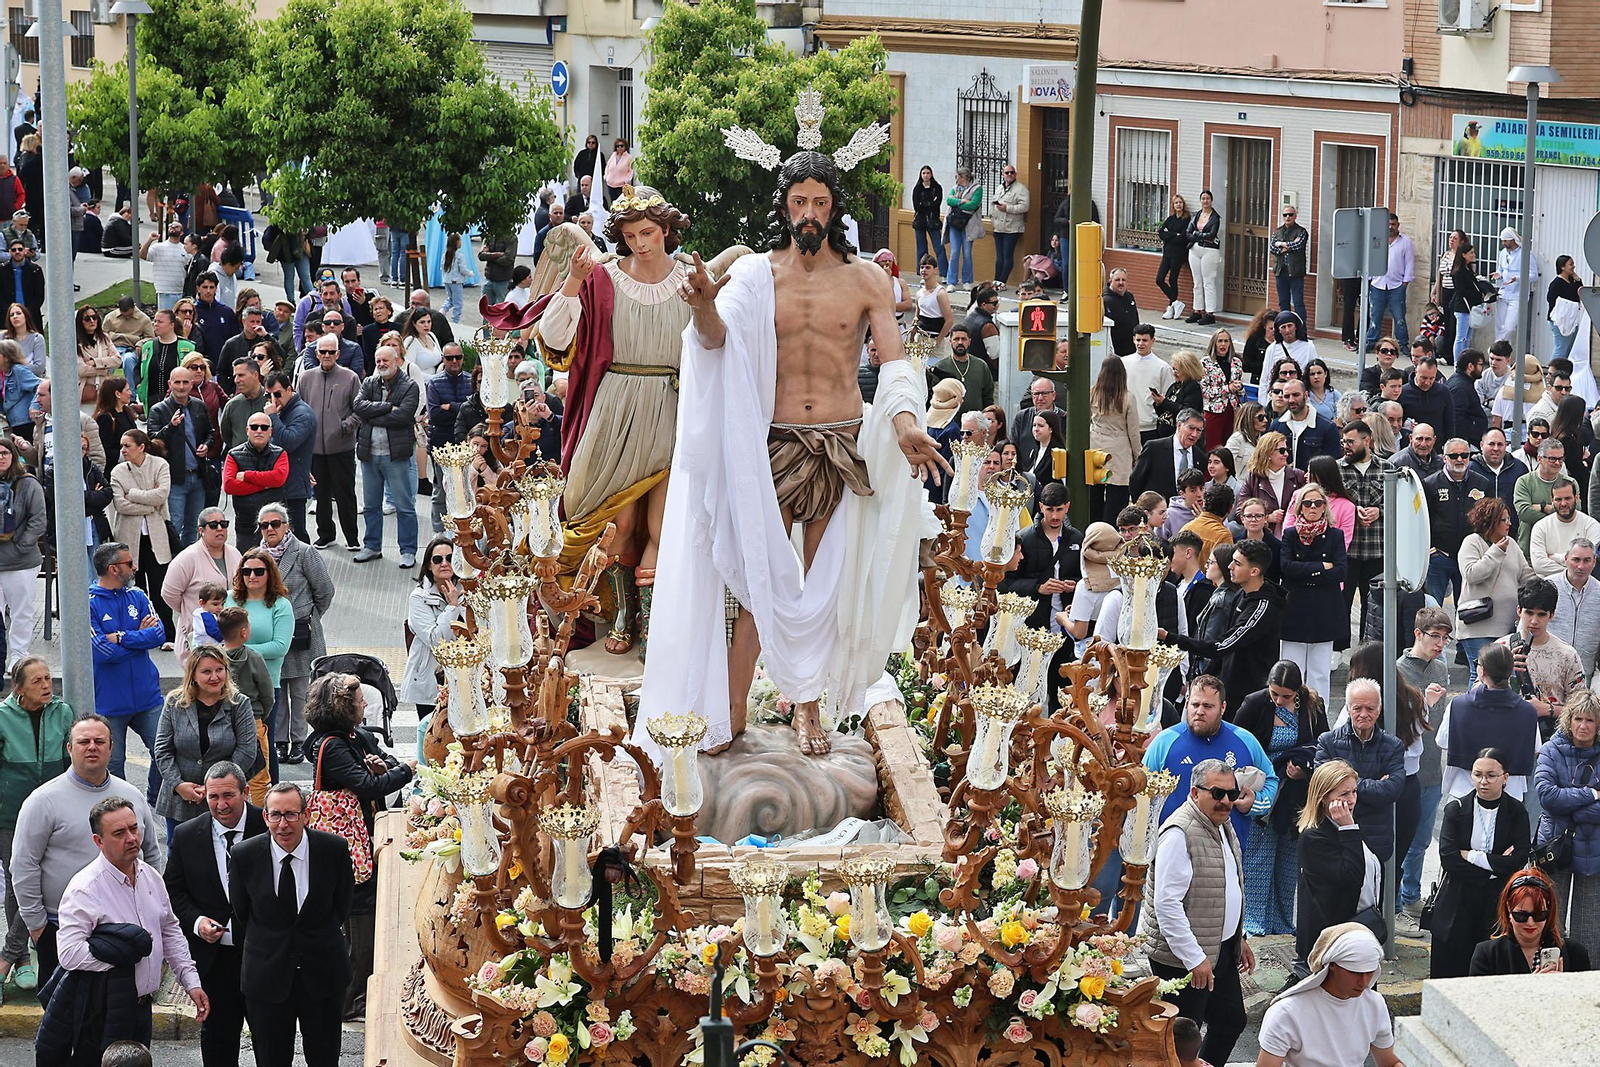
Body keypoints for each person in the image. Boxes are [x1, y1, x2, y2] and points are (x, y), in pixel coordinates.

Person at [11, 715, 162, 997]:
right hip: (61, 929)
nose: (91, 747)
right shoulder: (42, 800)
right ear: (69, 748)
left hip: (124, 931)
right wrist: (38, 927)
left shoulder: (131, 796)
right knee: (67, 1027)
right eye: (83, 741)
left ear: (112, 747)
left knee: (125, 1018)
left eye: (99, 741)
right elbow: (23, 866)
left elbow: (151, 853)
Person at [45, 796, 207, 1058]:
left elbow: (170, 931)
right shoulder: (84, 889)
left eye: (134, 828)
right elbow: (69, 953)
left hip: (142, 1009)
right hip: (102, 1010)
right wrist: (122, 958)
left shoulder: (150, 876)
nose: (131, 838)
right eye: (119, 833)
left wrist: (191, 982)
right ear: (99, 841)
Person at [302, 674, 414, 1019]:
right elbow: (367, 785)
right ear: (344, 707)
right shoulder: (332, 747)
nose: (366, 704)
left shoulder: (358, 737)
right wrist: (405, 772)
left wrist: (388, 769)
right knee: (359, 920)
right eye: (361, 700)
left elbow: (383, 766)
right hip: (351, 845)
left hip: (366, 837)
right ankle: (350, 1001)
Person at [230, 782, 354, 1067]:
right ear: (265, 817)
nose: (282, 824)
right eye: (275, 815)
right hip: (267, 976)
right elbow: (243, 912)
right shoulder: (244, 856)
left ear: (306, 815)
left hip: (322, 974)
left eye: (290, 815)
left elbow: (341, 906)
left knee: (324, 1058)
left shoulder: (332, 850)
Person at [1144, 756, 1255, 1067]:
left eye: (1231, 794)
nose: (1225, 802)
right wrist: (1194, 958)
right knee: (1181, 1041)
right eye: (1216, 793)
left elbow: (1225, 887)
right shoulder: (1179, 833)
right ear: (1195, 793)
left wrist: (1238, 937)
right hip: (1183, 958)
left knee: (1231, 1020)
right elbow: (1166, 905)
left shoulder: (1222, 825)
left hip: (1217, 950)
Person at [163, 762, 266, 1067]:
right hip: (215, 960)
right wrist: (197, 922)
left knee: (270, 1038)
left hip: (264, 956)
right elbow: (174, 891)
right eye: (213, 797)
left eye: (229, 796)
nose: (221, 805)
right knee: (219, 1041)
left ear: (246, 793)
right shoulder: (187, 835)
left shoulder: (270, 825)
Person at [1234, 661, 1329, 937]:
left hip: (1294, 794)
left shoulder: (1313, 706)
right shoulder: (1255, 703)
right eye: (1274, 693)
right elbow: (1238, 742)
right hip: (1263, 790)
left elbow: (1322, 746)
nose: (1278, 700)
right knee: (1257, 860)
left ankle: (1283, 922)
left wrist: (1304, 771)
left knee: (1288, 862)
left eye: (1285, 696)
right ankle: (1254, 925)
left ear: (1297, 692)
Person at [0, 657, 70, 993]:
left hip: (53, 812)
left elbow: (70, 763)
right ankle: (23, 960)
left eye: (48, 678)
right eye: (37, 681)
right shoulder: (2, 718)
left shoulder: (63, 712)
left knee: (40, 880)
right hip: (10, 815)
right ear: (19, 688)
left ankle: (8, 955)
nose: (47, 686)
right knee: (17, 883)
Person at [1430, 747, 1531, 978]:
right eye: (1477, 775)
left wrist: (1472, 856)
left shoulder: (1517, 812)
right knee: (1451, 967)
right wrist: (1494, 867)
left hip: (1496, 899)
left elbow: (1517, 860)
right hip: (1458, 896)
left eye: (1491, 775)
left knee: (1491, 966)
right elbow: (1449, 860)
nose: (1483, 781)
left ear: (1505, 778)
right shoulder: (1456, 809)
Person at [252, 506, 332, 767]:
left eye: (275, 523)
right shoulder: (257, 557)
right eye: (264, 525)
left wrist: (309, 616)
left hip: (302, 633)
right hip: (271, 634)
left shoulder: (306, 552)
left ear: (287, 525)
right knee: (275, 690)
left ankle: (298, 740)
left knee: (300, 691)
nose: (270, 529)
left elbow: (325, 591)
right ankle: (280, 741)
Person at [1258, 924, 1399, 1067]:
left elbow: (1390, 1063)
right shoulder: (1286, 1012)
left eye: (1370, 972)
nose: (1363, 982)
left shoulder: (1374, 1004)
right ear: (1332, 965)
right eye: (1354, 972)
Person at [153, 647, 257, 829]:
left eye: (219, 670)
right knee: (179, 853)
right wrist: (178, 785)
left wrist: (217, 788)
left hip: (224, 799)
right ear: (193, 675)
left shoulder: (239, 703)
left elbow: (247, 750)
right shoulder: (174, 702)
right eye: (206, 672)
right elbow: (162, 750)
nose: (215, 677)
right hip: (181, 798)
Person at [1292, 760, 1380, 968]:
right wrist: (1349, 829)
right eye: (1343, 794)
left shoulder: (1347, 823)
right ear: (1324, 797)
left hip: (1357, 928)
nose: (1351, 800)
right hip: (1332, 939)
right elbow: (1352, 878)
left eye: (1354, 792)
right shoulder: (1314, 837)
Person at [1315, 677, 1406, 862]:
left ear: (1379, 710)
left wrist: (1342, 786)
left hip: (1375, 841)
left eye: (1370, 708)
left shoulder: (1393, 746)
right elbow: (1321, 786)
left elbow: (1391, 791)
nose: (1363, 714)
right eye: (1357, 708)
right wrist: (1373, 787)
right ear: (1348, 709)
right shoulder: (1327, 742)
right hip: (1334, 837)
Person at [1535, 691, 1600, 951]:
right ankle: (1549, 980)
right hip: (1555, 849)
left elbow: (1559, 802)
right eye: (1578, 719)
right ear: (1569, 720)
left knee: (1590, 928)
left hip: (1594, 850)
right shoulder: (1551, 750)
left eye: (1590, 720)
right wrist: (1591, 794)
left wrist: (1572, 810)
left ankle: (1588, 983)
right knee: (1550, 922)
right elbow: (1547, 796)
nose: (1583, 726)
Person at [228, 545, 294, 780]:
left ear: (270, 574)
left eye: (258, 571)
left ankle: (271, 796)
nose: (252, 576)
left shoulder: (280, 605)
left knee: (263, 744)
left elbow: (280, 647)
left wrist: (238, 650)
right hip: (228, 685)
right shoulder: (230, 599)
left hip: (264, 686)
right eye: (246, 572)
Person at [1276, 485, 1346, 699]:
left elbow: (1341, 572)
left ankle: (1319, 718)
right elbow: (1286, 568)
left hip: (1324, 609)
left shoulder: (1335, 535)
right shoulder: (1290, 534)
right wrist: (1321, 567)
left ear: (1325, 507)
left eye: (1318, 503)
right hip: (1294, 609)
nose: (1313, 507)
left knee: (1320, 672)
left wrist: (1304, 570)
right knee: (1290, 670)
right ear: (1299, 508)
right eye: (1307, 503)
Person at [353, 345, 420, 567]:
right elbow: (358, 406)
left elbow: (403, 416)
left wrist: (372, 416)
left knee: (404, 506)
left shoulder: (409, 386)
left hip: (395, 456)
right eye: (378, 360)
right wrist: (387, 407)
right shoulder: (369, 382)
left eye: (385, 361)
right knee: (371, 505)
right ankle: (372, 546)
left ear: (397, 361)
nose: (381, 364)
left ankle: (408, 550)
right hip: (369, 454)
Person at [108, 428, 175, 642]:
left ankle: (167, 634)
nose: (123, 450)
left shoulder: (160, 465)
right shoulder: (118, 471)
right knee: (135, 589)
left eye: (127, 446)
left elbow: (162, 494)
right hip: (129, 538)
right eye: (121, 446)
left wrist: (134, 494)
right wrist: (150, 504)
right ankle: (140, 635)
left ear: (141, 447)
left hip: (157, 538)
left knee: (159, 588)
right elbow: (120, 504)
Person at [1455, 501, 1532, 684]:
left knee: (1503, 676)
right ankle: (1473, 712)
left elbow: (1526, 575)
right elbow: (1472, 574)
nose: (1509, 523)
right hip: (1477, 626)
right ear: (1490, 522)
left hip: (1506, 627)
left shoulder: (1511, 544)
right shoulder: (1472, 542)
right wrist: (1496, 551)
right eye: (1504, 519)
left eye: (1509, 519)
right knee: (1480, 675)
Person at [1469, 867, 1591, 975]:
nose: (1530, 922)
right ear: (1508, 910)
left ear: (1549, 911)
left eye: (1539, 915)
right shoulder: (1486, 955)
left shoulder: (1575, 953)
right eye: (1521, 916)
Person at [161, 506, 242, 661]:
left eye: (223, 524)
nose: (220, 529)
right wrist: (190, 609)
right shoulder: (186, 558)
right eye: (213, 525)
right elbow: (168, 593)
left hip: (229, 635)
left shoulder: (235, 553)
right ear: (201, 530)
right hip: (198, 639)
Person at [998, 482, 1081, 632]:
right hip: (1032, 623)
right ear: (1041, 507)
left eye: (1059, 510)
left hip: (1068, 621)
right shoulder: (1024, 538)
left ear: (1067, 507)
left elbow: (1084, 577)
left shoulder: (1076, 538)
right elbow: (1007, 582)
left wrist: (1075, 585)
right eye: (1050, 510)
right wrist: (1038, 587)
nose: (1055, 516)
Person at [401, 536, 464, 722]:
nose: (444, 563)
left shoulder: (468, 590)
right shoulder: (418, 597)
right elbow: (436, 640)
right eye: (438, 559)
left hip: (463, 678)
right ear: (429, 565)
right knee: (433, 739)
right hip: (431, 683)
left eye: (450, 558)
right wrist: (452, 607)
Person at [1087, 355, 1141, 523]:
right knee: (1117, 491)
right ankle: (1111, 526)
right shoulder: (1127, 397)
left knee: (1094, 489)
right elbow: (1133, 430)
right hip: (1119, 447)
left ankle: (1093, 525)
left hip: (1095, 443)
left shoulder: (1093, 392)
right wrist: (1137, 454)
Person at [263, 373, 316, 543]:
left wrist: (272, 417)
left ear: (289, 390)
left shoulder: (302, 413)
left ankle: (307, 568)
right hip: (278, 482)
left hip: (293, 486)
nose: (273, 400)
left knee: (296, 535)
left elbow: (287, 442)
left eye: (277, 394)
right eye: (268, 395)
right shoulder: (280, 410)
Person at [222, 414, 287, 552]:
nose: (259, 430)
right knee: (248, 567)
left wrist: (247, 476)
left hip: (275, 525)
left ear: (270, 431)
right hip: (246, 524)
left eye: (264, 427)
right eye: (254, 427)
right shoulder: (233, 454)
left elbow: (279, 478)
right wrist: (265, 484)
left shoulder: (280, 453)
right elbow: (229, 485)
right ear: (247, 430)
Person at [1130, 409, 1206, 503]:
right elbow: (1136, 480)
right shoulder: (1154, 448)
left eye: (1199, 430)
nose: (1194, 434)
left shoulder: (1201, 457)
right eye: (1191, 428)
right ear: (1179, 426)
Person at [1240, 432, 1306, 538]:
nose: (1286, 454)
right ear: (1268, 453)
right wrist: (1267, 518)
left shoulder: (1298, 476)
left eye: (1286, 450)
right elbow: (1240, 511)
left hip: (1295, 536)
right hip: (1264, 537)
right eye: (1281, 451)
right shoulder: (1253, 478)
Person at [1530, 479, 1600, 578]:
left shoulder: (1592, 525)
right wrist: (1576, 572)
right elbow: (1539, 565)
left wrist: (1556, 557)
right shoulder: (1540, 527)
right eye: (1558, 499)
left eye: (1567, 498)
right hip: (1549, 588)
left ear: (1577, 498)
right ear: (1552, 500)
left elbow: (1592, 562)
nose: (1563, 504)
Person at [1365, 214, 1415, 351]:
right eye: (1388, 224)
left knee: (1399, 318)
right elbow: (1370, 259)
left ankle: (1403, 344)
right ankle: (1371, 342)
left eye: (1393, 224)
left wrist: (1404, 284)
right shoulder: (1376, 240)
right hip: (1377, 284)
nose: (1390, 227)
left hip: (1396, 286)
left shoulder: (1406, 242)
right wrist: (1369, 279)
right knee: (1375, 316)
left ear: (1398, 225)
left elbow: (1409, 264)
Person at [1268, 378, 1339, 470]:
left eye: (1296, 395)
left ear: (1306, 395)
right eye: (1286, 396)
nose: (1291, 400)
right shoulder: (1276, 425)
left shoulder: (1328, 427)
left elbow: (1331, 466)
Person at [1123, 325, 1175, 443]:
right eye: (1138, 340)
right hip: (1125, 423)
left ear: (1153, 341)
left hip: (1150, 425)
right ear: (1133, 340)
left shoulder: (1163, 367)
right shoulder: (1123, 363)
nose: (1141, 343)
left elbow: (1168, 396)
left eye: (1145, 340)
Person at [929, 325, 994, 415]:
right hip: (948, 421)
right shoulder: (940, 367)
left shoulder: (981, 366)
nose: (960, 342)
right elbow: (935, 398)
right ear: (950, 341)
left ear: (969, 342)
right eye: (956, 339)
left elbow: (988, 396)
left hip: (975, 422)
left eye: (963, 339)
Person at [1184, 190, 1222, 326]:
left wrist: (1196, 234)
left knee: (1208, 282)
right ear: (1200, 200)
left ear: (1211, 201)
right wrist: (1198, 234)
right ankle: (1197, 310)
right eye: (1203, 198)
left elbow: (1211, 235)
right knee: (1197, 282)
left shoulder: (1215, 218)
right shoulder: (1196, 215)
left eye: (1207, 198)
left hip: (1209, 251)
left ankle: (1210, 312)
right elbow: (1188, 233)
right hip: (1194, 250)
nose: (1205, 201)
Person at [944, 165, 982, 289]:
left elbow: (973, 204)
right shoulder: (955, 188)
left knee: (967, 253)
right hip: (955, 224)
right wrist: (961, 202)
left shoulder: (977, 189)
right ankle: (951, 281)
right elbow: (949, 201)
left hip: (969, 224)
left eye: (957, 177)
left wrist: (958, 204)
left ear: (964, 177)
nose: (956, 179)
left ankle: (967, 280)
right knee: (954, 252)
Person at [990, 162, 1028, 285]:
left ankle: (1002, 282)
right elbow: (992, 204)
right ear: (1003, 175)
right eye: (1007, 172)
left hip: (1012, 228)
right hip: (998, 227)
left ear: (1015, 174)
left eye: (1012, 172)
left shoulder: (1021, 189)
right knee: (999, 257)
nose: (1009, 174)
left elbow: (1024, 206)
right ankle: (996, 280)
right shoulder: (999, 188)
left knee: (1007, 256)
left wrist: (1008, 208)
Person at [1270, 204, 1309, 325]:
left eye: (1290, 215)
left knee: (1298, 303)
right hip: (1280, 271)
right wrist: (1288, 245)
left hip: (1296, 272)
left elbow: (1298, 245)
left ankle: (1302, 330)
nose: (1287, 217)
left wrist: (1280, 244)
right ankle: (1284, 327)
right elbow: (1272, 248)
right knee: (1283, 302)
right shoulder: (1277, 231)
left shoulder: (1301, 231)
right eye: (1285, 215)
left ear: (1295, 216)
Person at [910, 165, 946, 275]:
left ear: (931, 174)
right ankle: (922, 273)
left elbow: (936, 204)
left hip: (933, 221)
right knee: (921, 249)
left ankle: (944, 273)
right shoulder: (917, 189)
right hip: (920, 222)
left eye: (928, 173)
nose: (926, 175)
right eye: (924, 173)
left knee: (939, 248)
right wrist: (929, 203)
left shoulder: (937, 188)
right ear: (921, 175)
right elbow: (917, 206)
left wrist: (925, 204)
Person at [1225, 402, 1268, 474]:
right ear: (1249, 418)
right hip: (1239, 483)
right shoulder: (1237, 438)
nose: (1265, 420)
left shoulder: (1262, 440)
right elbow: (1224, 463)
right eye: (1260, 417)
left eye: (1265, 416)